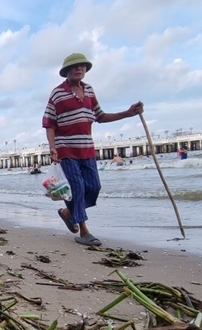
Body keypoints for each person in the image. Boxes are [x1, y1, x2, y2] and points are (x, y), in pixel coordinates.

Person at [43, 53, 143, 247]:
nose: (78, 69)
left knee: (94, 187)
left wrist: (128, 113)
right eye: (74, 67)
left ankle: (68, 213)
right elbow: (49, 123)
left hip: (87, 149)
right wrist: (53, 147)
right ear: (66, 71)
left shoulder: (89, 91)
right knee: (78, 187)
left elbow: (101, 116)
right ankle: (84, 231)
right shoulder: (57, 93)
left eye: (82, 66)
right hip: (66, 149)